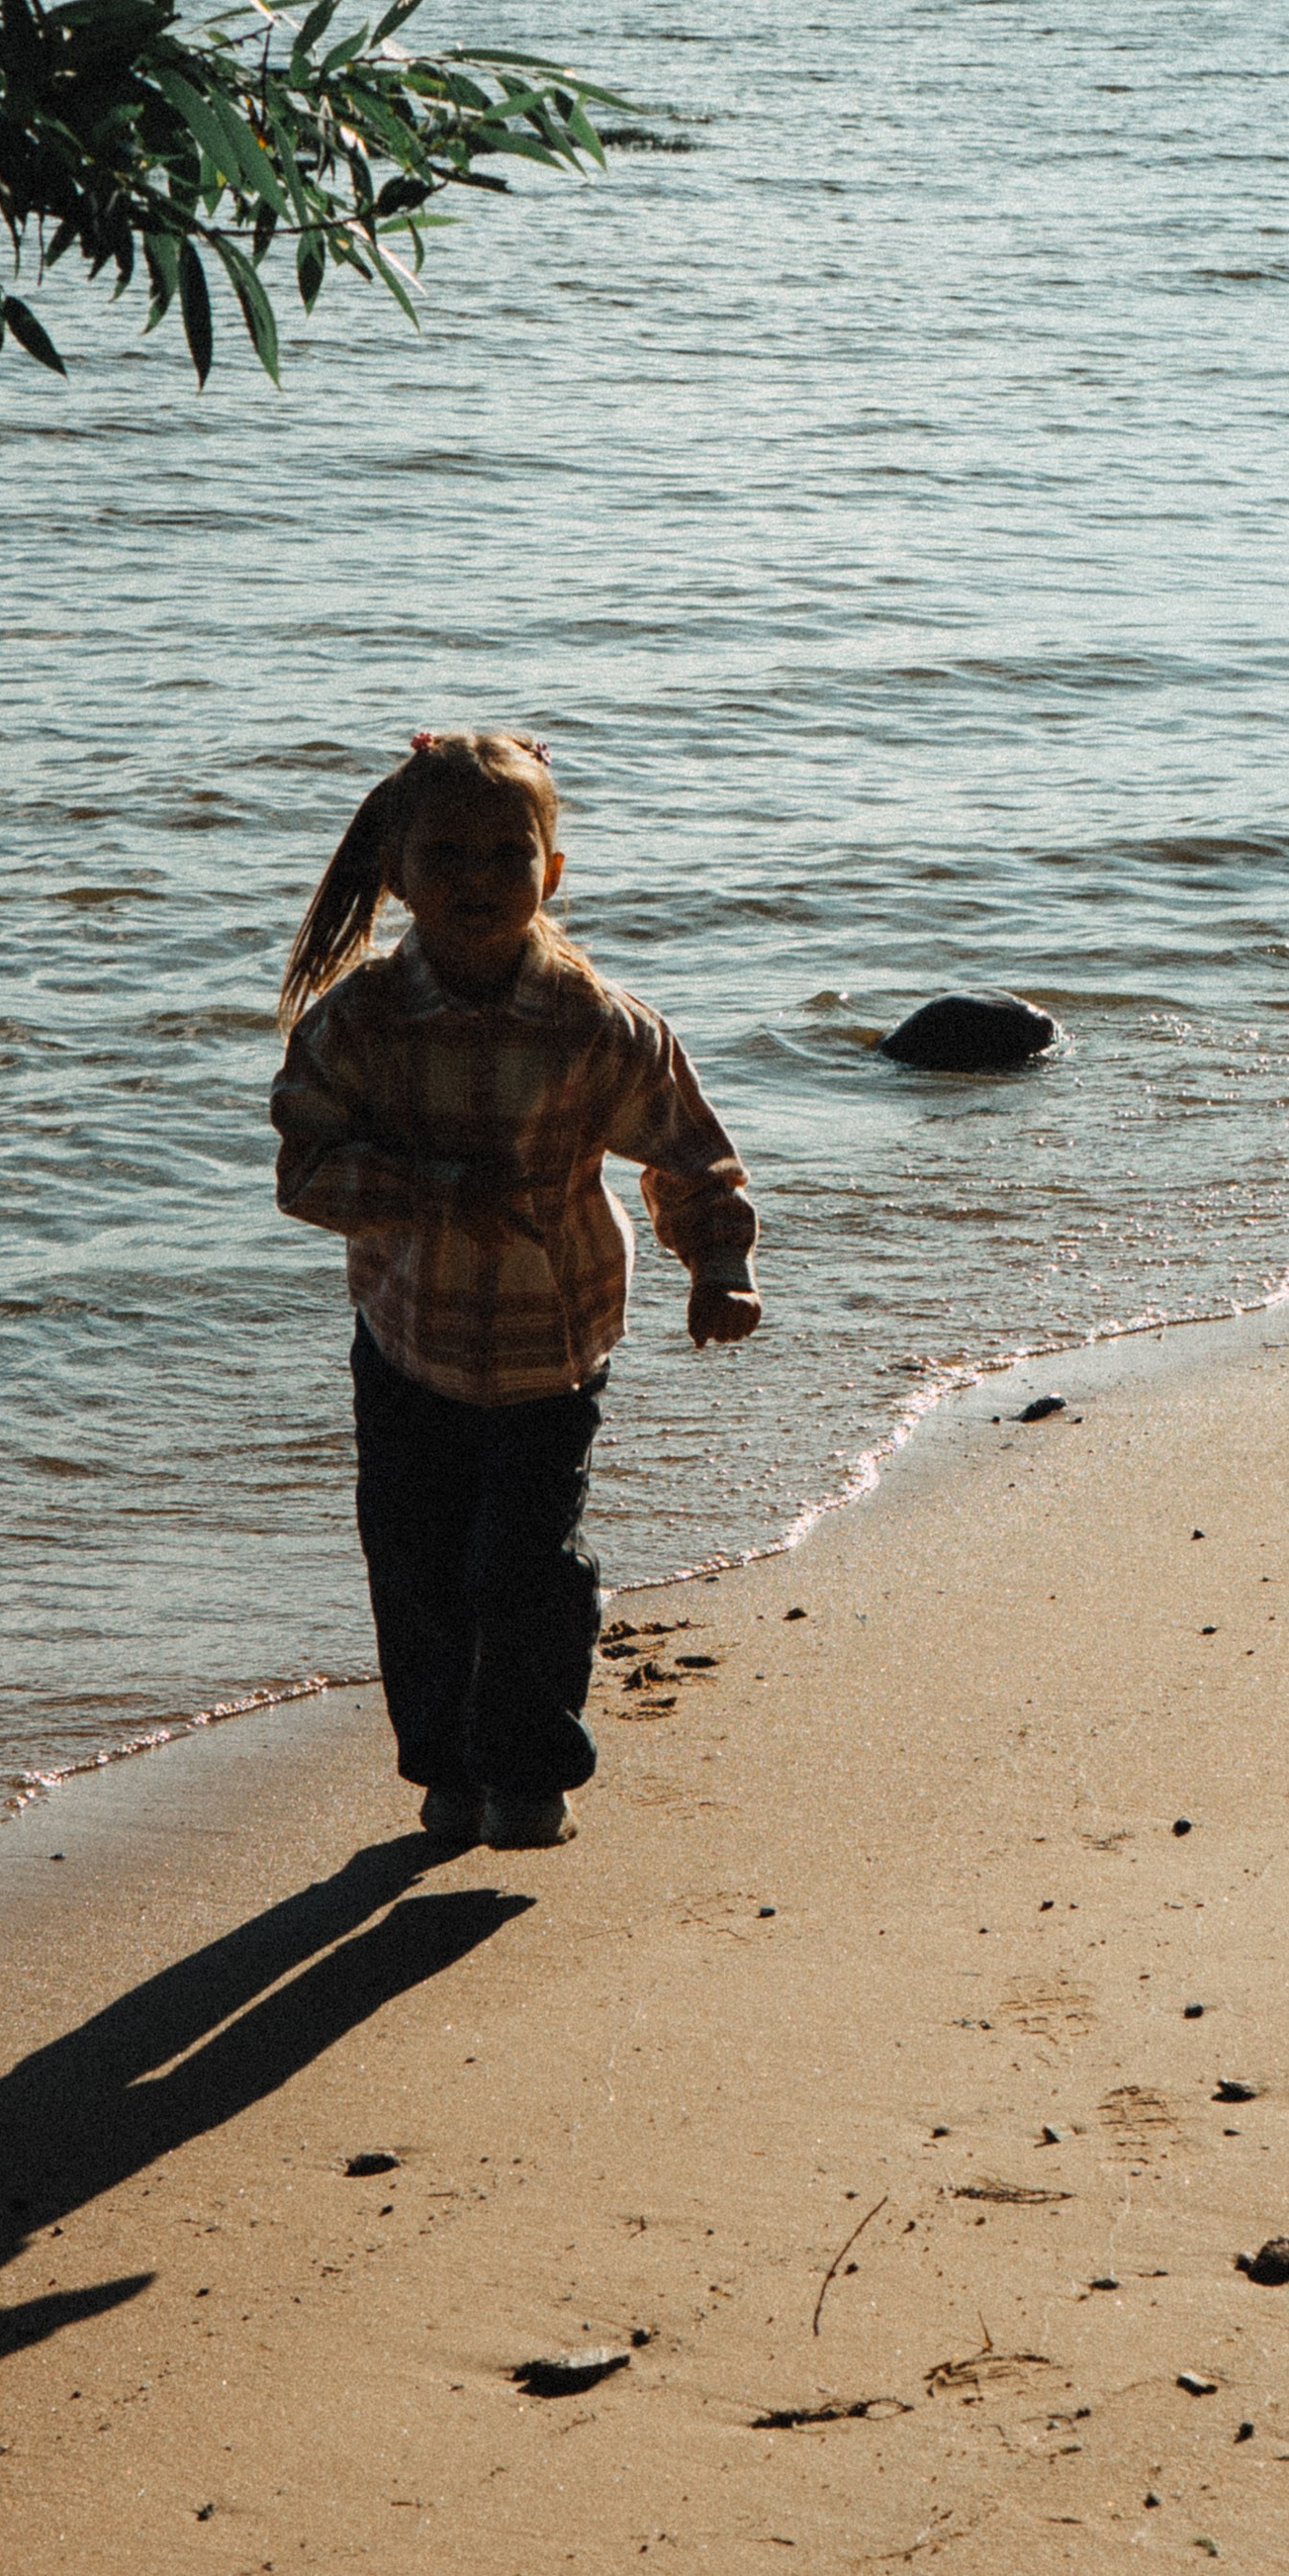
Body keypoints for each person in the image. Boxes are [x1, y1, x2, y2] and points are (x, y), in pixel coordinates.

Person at [270, 730, 761, 1851]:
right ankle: (446, 1770)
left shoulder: (594, 1022)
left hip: (555, 1344)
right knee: (418, 1568)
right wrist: (437, 1191)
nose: (477, 879)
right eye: (446, 854)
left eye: (507, 853)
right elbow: (304, 1171)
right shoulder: (359, 1025)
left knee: (524, 1567)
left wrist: (719, 1264)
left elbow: (687, 1154)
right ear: (396, 876)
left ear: (551, 871)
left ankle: (531, 1772)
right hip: (407, 1344)